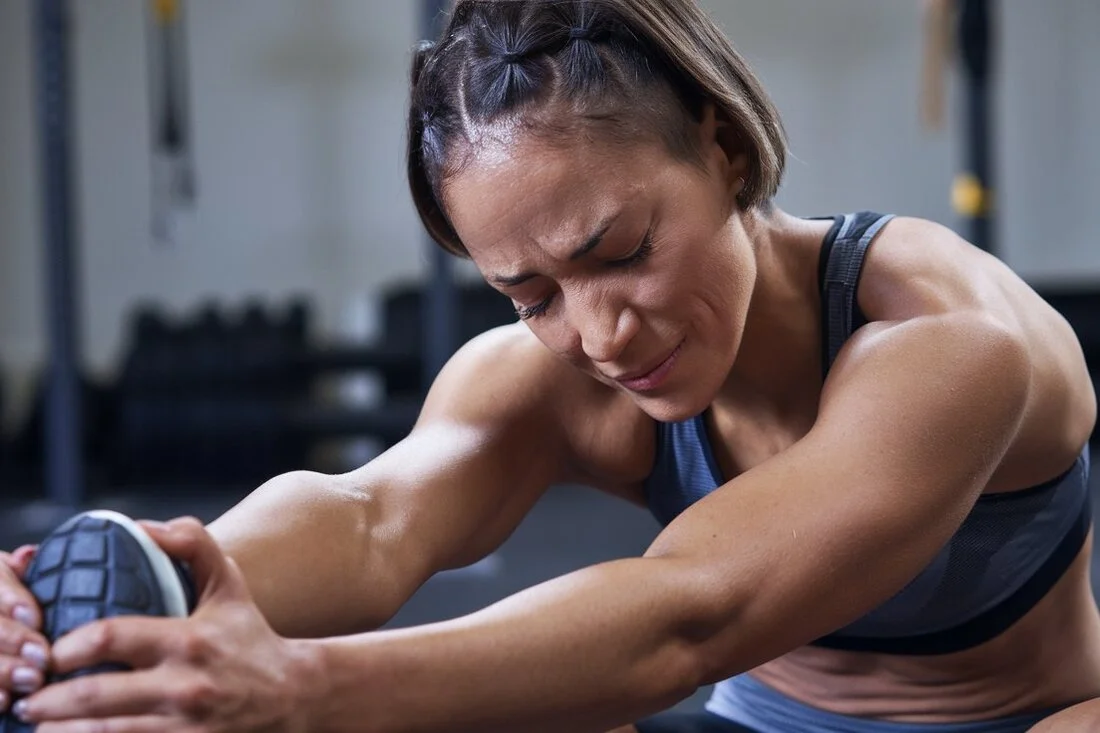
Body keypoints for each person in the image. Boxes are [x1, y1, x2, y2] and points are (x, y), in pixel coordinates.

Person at [2, 0, 1099, 730]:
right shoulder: (553, 377)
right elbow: (370, 517)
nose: (599, 334)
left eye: (620, 253)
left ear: (720, 150)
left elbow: (692, 612)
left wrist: (299, 688)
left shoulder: (947, 340)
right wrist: (145, 588)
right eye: (528, 295)